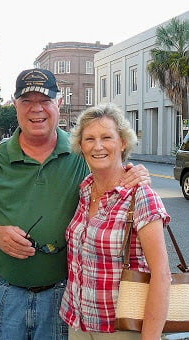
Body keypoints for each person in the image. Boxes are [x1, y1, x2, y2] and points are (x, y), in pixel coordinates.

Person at [0, 69, 150, 340]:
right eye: (27, 101)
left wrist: (133, 172)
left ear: (58, 104)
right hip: (4, 296)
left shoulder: (81, 153)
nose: (37, 109)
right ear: (15, 105)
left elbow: (113, 171)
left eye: (45, 101)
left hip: (64, 299)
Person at [59, 103, 171, 340]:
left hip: (120, 329)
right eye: (89, 139)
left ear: (122, 142)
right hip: (77, 323)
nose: (97, 146)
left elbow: (161, 275)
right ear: (81, 146)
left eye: (106, 137)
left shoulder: (141, 196)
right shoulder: (86, 191)